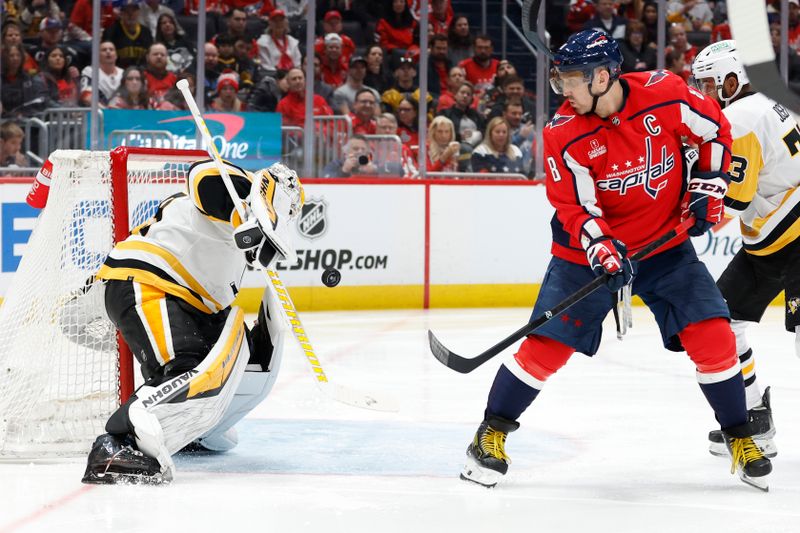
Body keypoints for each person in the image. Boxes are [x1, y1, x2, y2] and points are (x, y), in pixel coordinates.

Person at [460, 29, 772, 492]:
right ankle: (491, 433)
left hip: (665, 245)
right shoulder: (564, 133)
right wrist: (603, 249)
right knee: (546, 347)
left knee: (713, 334)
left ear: (603, 77)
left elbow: (714, 129)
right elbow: (575, 209)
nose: (563, 90)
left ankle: (740, 437)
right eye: (561, 79)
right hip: (584, 256)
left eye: (572, 79)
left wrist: (709, 184)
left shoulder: (664, 93)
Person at [79, 159, 304, 484]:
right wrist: (250, 212)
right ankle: (118, 445)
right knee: (186, 370)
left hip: (188, 302)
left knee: (235, 365)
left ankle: (191, 428)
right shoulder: (234, 189)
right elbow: (202, 176)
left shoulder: (243, 240)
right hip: (148, 281)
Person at [691, 39, 800, 459]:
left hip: (793, 235)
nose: (702, 93)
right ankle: (754, 417)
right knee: (722, 323)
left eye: (707, 84)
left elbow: (733, 200)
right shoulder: (772, 101)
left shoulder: (741, 116)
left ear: (732, 80)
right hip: (770, 238)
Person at [79, 41, 124, 107]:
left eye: (111, 49)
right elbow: (86, 96)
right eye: (104, 50)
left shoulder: (123, 73)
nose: (108, 52)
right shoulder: (90, 71)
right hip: (97, 113)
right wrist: (105, 111)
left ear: (116, 55)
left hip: (121, 113)